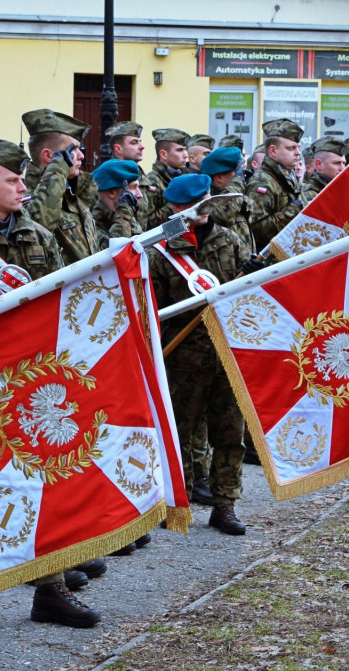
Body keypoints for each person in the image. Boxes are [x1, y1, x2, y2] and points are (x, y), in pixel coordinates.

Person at [0, 138, 102, 628]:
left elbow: (53, 302)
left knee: (44, 480)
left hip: (32, 381)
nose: (22, 187)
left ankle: (49, 587)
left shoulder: (36, 235)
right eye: (12, 180)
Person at [146, 174, 250, 535]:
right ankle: (178, 500)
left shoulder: (230, 240)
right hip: (182, 356)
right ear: (175, 208)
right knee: (179, 432)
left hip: (226, 352)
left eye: (205, 201)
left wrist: (250, 277)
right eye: (191, 204)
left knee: (229, 431)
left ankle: (225, 504)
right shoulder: (159, 250)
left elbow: (249, 298)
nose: (201, 209)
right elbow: (150, 309)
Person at [21, 108, 99, 264]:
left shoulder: (71, 196)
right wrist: (58, 168)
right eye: (74, 149)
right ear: (49, 156)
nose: (82, 156)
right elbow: (41, 225)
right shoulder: (27, 199)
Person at [246, 119, 304, 251]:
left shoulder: (288, 176)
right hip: (271, 261)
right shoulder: (262, 182)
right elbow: (256, 230)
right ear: (273, 151)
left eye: (298, 148)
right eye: (291, 148)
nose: (298, 153)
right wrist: (292, 211)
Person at [104, 121, 156, 228]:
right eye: (134, 142)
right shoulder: (107, 178)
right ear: (118, 149)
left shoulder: (139, 173)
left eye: (140, 142)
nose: (142, 146)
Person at [90, 159, 144, 248]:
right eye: (133, 187)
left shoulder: (124, 214)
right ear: (111, 192)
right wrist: (124, 213)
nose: (140, 194)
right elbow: (118, 252)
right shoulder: (92, 224)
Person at [145, 128, 190, 230]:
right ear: (163, 154)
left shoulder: (185, 176)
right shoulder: (152, 181)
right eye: (179, 150)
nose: (185, 155)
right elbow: (146, 223)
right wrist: (177, 202)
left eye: (185, 149)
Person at [300, 137, 346, 205]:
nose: (342, 168)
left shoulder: (343, 190)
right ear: (319, 164)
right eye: (336, 163)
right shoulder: (311, 196)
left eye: (344, 163)